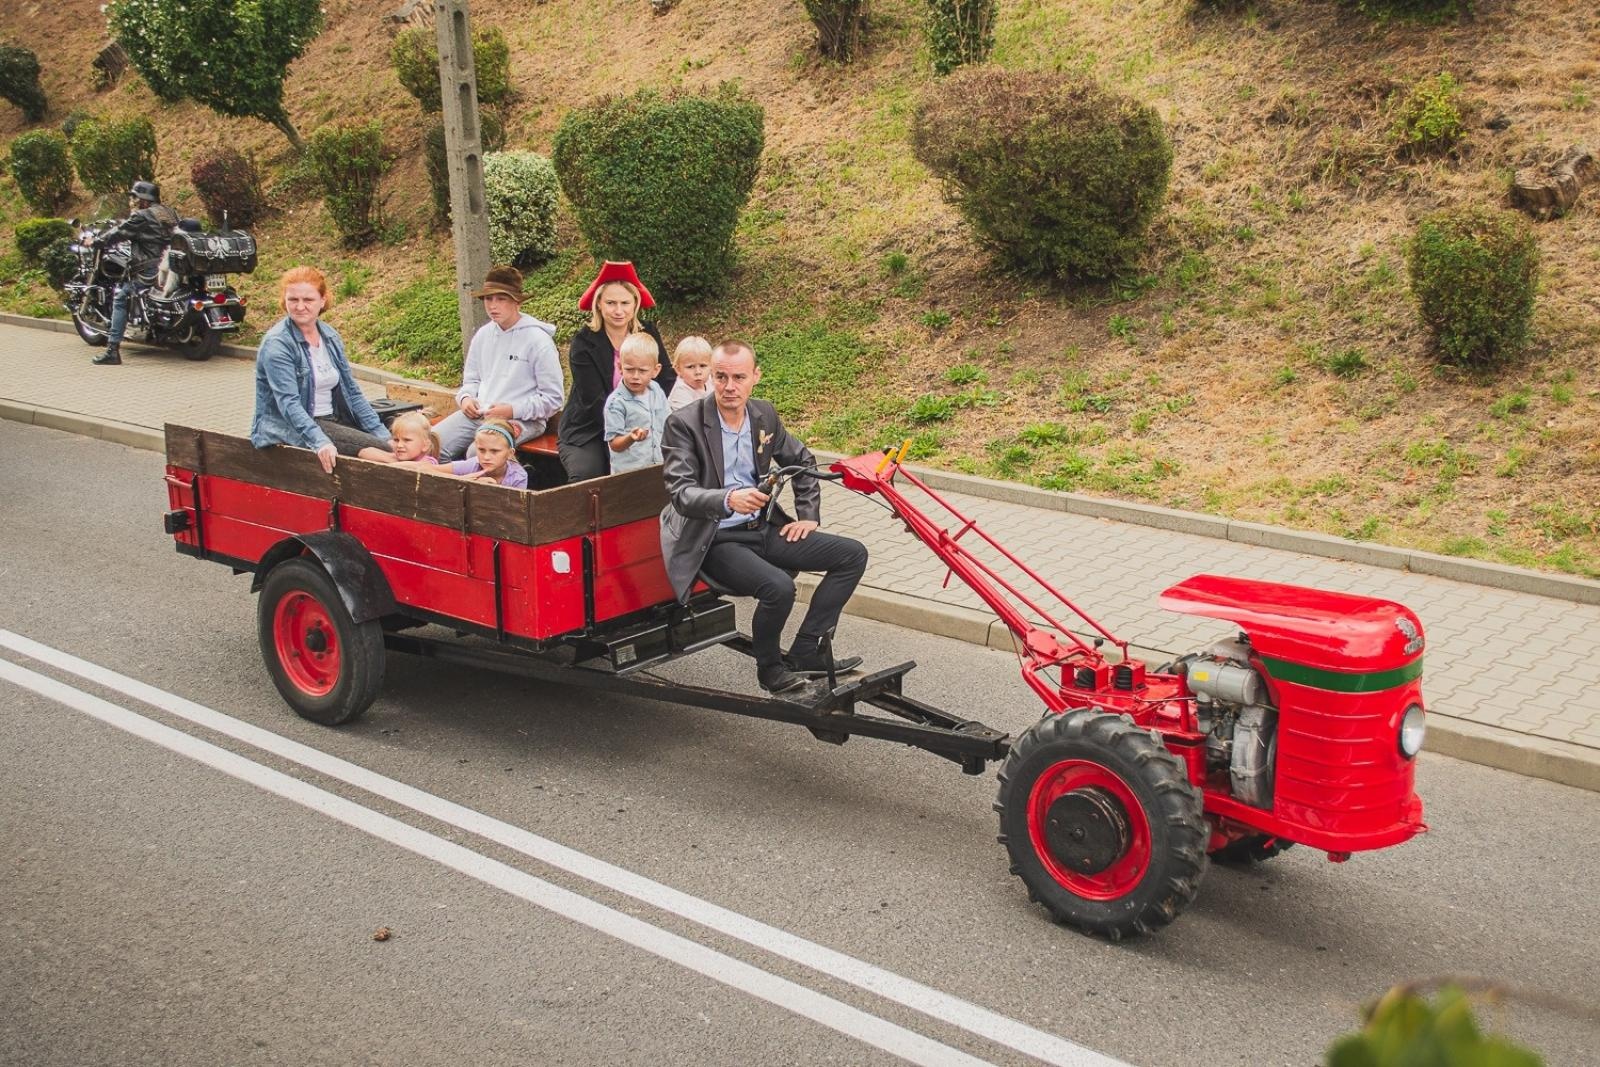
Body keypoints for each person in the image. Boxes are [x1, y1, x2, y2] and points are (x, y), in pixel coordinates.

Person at [660, 340, 867, 694]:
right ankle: (769, 670)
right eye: (721, 376)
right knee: (778, 587)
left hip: (761, 527)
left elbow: (801, 460)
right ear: (711, 374)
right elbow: (681, 494)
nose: (729, 386)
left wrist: (808, 515)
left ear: (755, 376)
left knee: (852, 555)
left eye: (738, 377)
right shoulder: (684, 424)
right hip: (713, 537)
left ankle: (806, 649)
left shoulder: (763, 415)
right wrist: (728, 499)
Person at [250, 266, 396, 473]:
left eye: (308, 300)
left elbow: (352, 392)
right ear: (285, 301)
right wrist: (320, 441)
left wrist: (382, 433)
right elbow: (288, 403)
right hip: (291, 426)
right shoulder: (277, 344)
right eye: (293, 300)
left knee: (393, 442)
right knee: (382, 451)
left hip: (333, 419)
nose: (300, 307)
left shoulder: (330, 336)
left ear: (323, 300)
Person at [557, 261, 677, 483]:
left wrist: (654, 417)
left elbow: (666, 378)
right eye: (611, 303)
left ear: (635, 305)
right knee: (588, 476)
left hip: (645, 420)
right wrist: (624, 434)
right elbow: (592, 400)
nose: (619, 310)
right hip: (592, 426)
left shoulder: (648, 332)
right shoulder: (584, 342)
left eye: (625, 303)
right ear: (599, 305)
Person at [434, 265, 564, 461]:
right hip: (479, 414)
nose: (493, 305)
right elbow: (471, 380)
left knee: (477, 453)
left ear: (516, 302)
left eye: (501, 299)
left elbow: (553, 398)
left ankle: (503, 483)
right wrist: (466, 398)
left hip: (523, 419)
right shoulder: (483, 334)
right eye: (488, 298)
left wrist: (511, 410)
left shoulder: (538, 340)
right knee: (431, 444)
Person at [91, 179, 179, 367]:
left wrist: (97, 241)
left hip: (149, 268)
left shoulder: (142, 216)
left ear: (144, 200)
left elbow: (119, 233)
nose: (134, 202)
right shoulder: (169, 213)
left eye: (136, 198)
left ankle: (112, 350)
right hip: (170, 264)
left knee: (121, 297)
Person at [604, 333, 669, 474]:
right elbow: (614, 444)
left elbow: (668, 423)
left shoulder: (657, 391)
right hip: (629, 475)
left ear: (655, 370)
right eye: (629, 369)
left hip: (658, 467)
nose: (635, 376)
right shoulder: (616, 402)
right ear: (620, 367)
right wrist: (630, 438)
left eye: (642, 371)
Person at [445, 419, 527, 488]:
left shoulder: (518, 477)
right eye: (481, 450)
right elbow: (433, 471)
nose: (486, 457)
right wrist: (466, 480)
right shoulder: (473, 464)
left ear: (510, 453)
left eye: (494, 451)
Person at [666, 335, 712, 412]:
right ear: (678, 370)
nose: (698, 372)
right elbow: (691, 420)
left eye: (702, 366)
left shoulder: (710, 381)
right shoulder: (680, 393)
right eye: (690, 367)